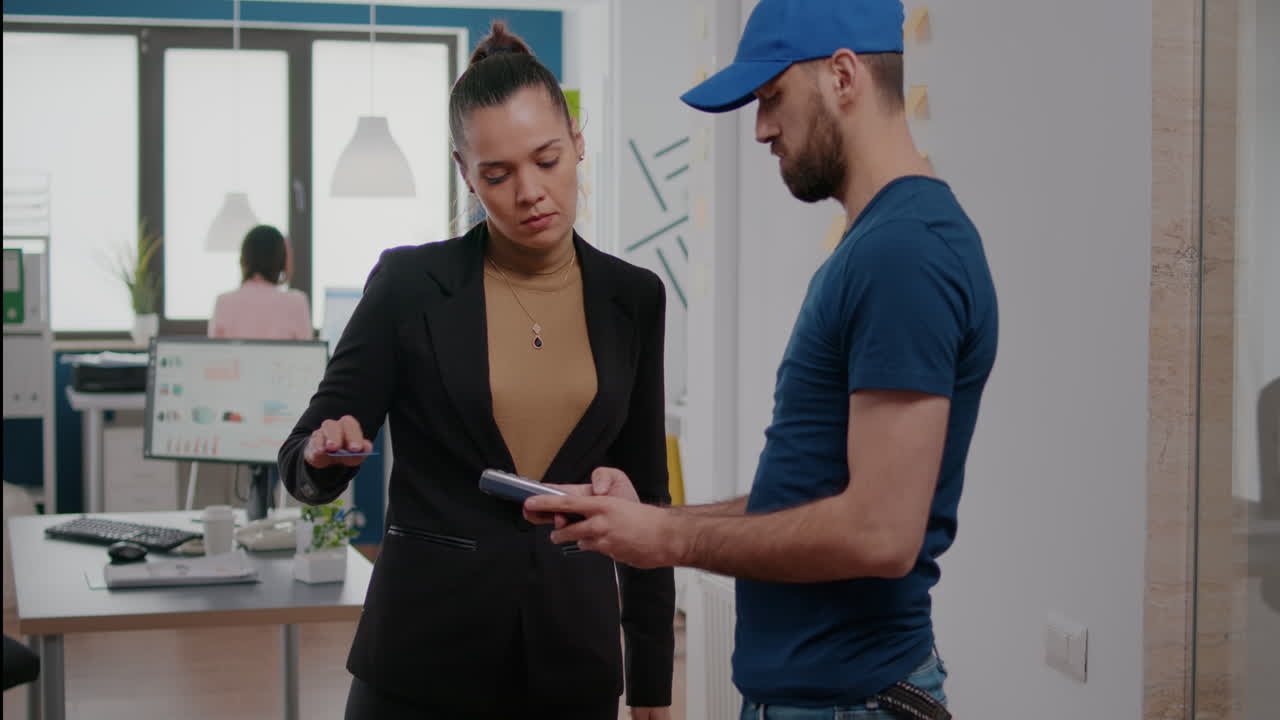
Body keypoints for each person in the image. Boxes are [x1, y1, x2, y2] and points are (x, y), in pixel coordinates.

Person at [525, 1, 998, 718]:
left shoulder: (904, 254)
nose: (761, 128)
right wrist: (650, 521)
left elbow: (880, 533)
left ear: (844, 76)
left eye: (772, 97)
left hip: (850, 702)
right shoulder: (882, 245)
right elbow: (813, 495)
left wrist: (670, 536)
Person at [278, 22, 674, 720]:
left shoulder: (634, 298)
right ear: (465, 173)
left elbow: (648, 498)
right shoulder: (408, 286)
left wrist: (652, 685)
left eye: (547, 159)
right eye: (497, 174)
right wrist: (322, 454)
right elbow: (303, 456)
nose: (530, 191)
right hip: (420, 658)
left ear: (578, 141)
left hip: (571, 660)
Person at [208, 224, 312, 340]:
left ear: (244, 259)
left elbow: (215, 349)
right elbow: (307, 349)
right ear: (282, 261)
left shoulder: (224, 302)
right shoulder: (296, 302)